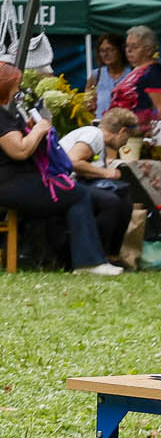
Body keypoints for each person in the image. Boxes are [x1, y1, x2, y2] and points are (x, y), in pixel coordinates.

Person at [0, 58, 125, 275]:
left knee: (77, 194)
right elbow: (19, 150)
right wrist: (39, 130)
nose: (18, 89)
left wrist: (30, 130)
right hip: (11, 184)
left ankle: (84, 259)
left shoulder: (4, 115)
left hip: (15, 181)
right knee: (76, 194)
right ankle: (88, 262)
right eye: (16, 85)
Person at [109, 26, 161, 133]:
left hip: (140, 135)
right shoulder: (136, 70)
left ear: (149, 50)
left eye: (134, 47)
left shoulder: (154, 72)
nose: (129, 50)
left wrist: (144, 132)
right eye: (127, 46)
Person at [62, 107, 141, 183]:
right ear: (122, 131)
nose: (125, 143)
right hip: (61, 184)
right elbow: (72, 161)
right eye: (127, 138)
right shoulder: (95, 134)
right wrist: (105, 172)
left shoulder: (95, 136)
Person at [88, 33, 128, 117]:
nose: (105, 54)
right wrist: (89, 105)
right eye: (102, 51)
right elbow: (86, 104)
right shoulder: (96, 76)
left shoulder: (132, 74)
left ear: (120, 50)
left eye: (110, 50)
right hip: (101, 126)